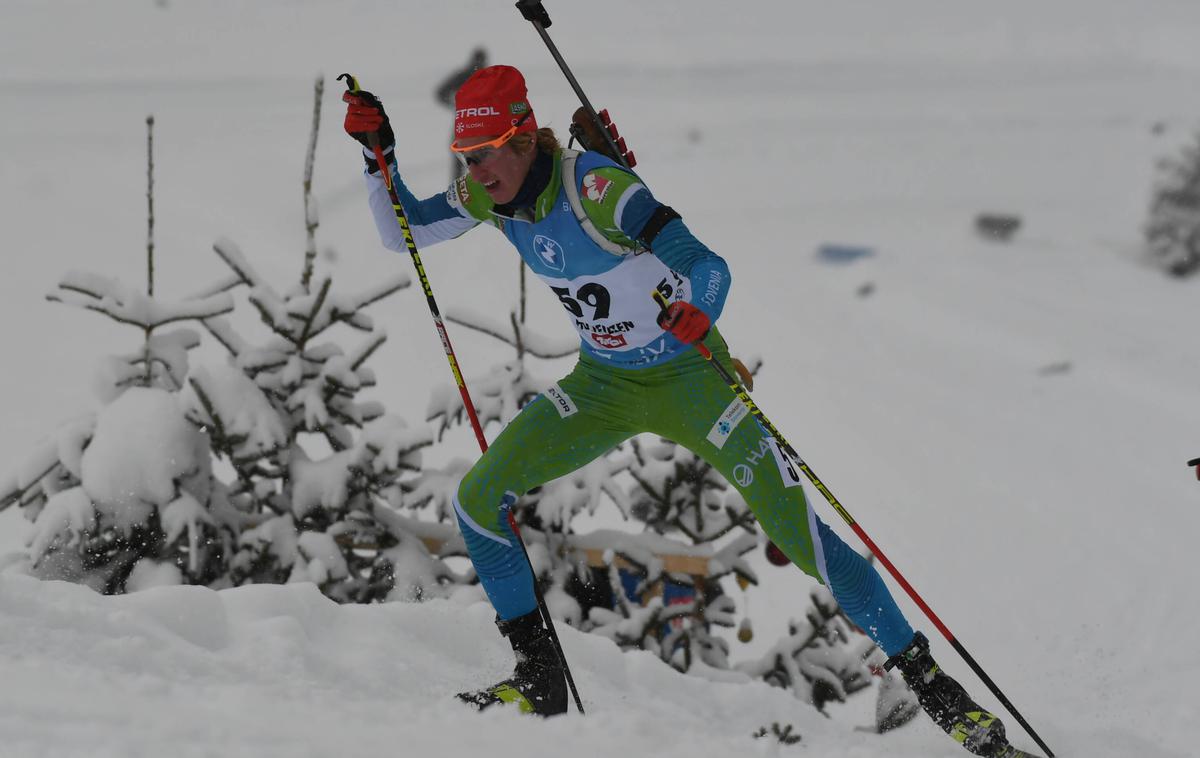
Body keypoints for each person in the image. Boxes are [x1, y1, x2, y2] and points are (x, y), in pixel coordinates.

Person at [344, 65, 1012, 756]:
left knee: (806, 536)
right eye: (466, 160)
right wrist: (377, 156)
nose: (475, 174)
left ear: (522, 141)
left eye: (483, 157)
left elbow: (706, 262)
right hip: (604, 385)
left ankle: (939, 695)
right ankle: (538, 683)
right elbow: (405, 232)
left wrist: (698, 310)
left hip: (695, 379)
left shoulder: (600, 188)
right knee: (479, 500)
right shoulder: (491, 196)